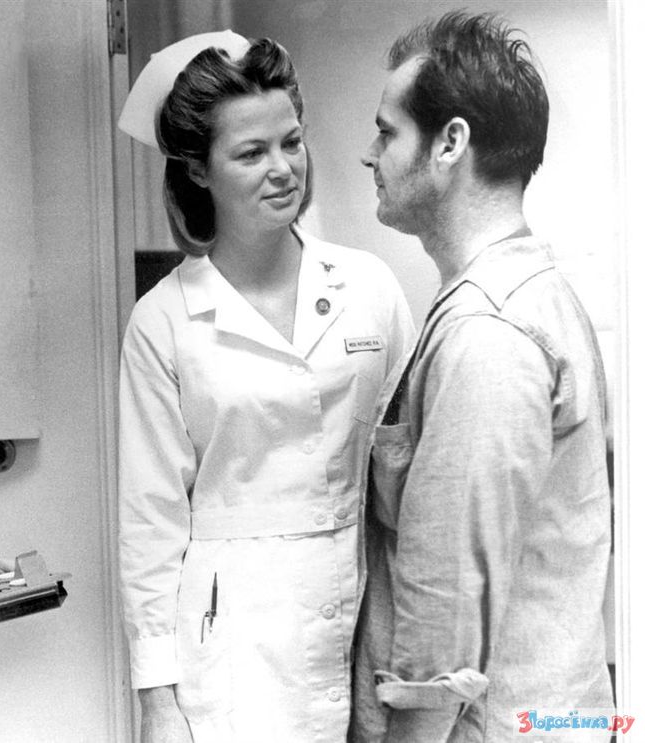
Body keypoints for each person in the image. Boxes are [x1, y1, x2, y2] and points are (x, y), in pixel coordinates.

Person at [116, 32, 415, 742]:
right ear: (198, 169)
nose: (283, 169)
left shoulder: (368, 286)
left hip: (366, 613)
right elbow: (151, 523)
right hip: (235, 651)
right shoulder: (164, 322)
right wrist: (158, 702)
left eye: (292, 142)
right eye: (251, 153)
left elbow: (411, 458)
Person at [351, 11, 613, 742]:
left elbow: (446, 611)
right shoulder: (527, 296)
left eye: (386, 132)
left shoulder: (489, 334)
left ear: (450, 143)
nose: (369, 154)